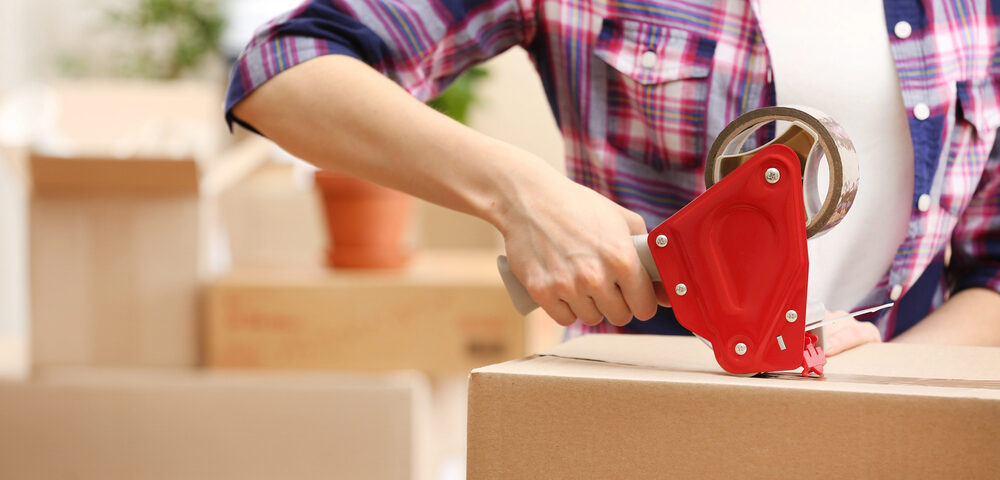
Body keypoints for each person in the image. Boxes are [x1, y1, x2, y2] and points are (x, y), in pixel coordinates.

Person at [225, 0, 1000, 356]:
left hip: (888, 436)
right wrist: (521, 196)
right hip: (630, 419)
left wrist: (893, 371)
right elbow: (282, 70)